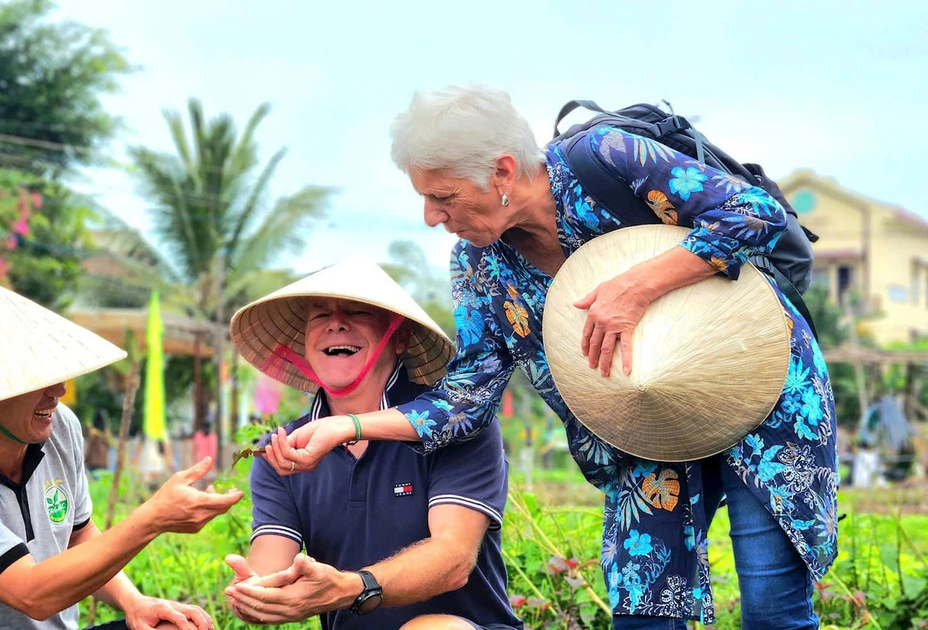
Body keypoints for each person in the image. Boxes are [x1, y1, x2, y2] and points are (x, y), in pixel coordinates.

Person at [263, 86, 837, 630]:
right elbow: (466, 399)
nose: (431, 218)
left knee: (770, 604)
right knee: (645, 607)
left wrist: (635, 287)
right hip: (644, 425)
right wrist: (349, 426)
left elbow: (754, 213)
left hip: (758, 390)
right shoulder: (479, 266)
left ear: (503, 171)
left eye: (442, 197)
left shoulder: (605, 159)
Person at [0, 279, 242, 630]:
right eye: (39, 380)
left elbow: (77, 535)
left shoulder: (59, 428)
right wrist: (152, 519)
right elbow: (32, 594)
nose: (58, 390)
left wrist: (135, 602)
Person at [223, 259, 522, 630]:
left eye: (358, 311)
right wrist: (255, 594)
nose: (336, 323)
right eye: (319, 316)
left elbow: (453, 561)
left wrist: (352, 587)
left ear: (400, 337)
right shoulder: (283, 451)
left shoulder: (455, 426)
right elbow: (269, 569)